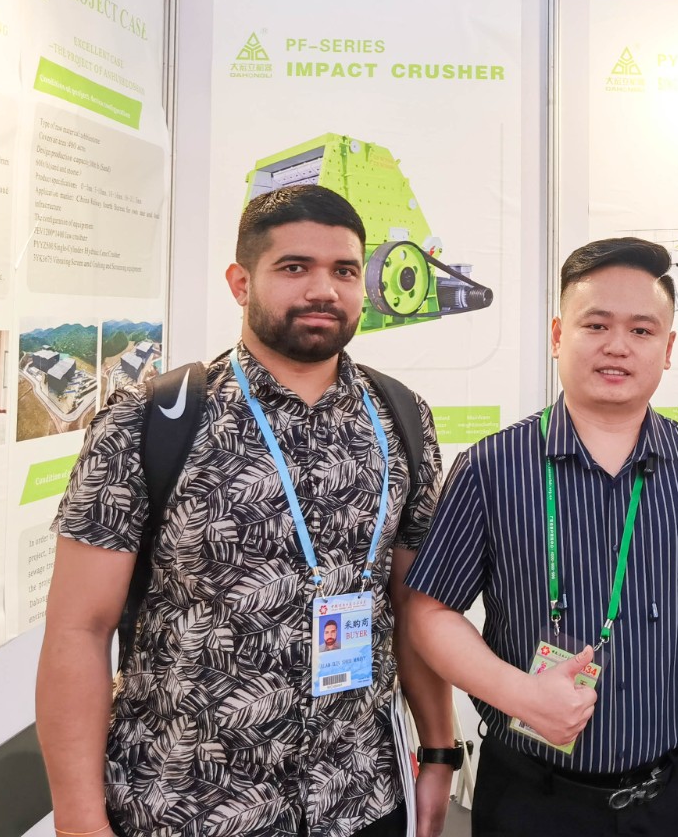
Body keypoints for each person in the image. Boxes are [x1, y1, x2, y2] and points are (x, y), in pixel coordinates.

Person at [39, 185, 457, 837]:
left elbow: (414, 605)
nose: (323, 289)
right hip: (187, 808)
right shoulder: (148, 421)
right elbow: (77, 632)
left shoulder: (402, 417)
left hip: (359, 798)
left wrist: (438, 750)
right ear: (241, 283)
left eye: (344, 271)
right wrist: (78, 820)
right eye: (294, 267)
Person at [403, 237, 678, 837]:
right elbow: (428, 613)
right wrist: (519, 693)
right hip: (529, 798)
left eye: (642, 330)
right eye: (595, 325)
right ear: (557, 336)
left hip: (668, 798)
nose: (617, 346)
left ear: (668, 348)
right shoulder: (492, 467)